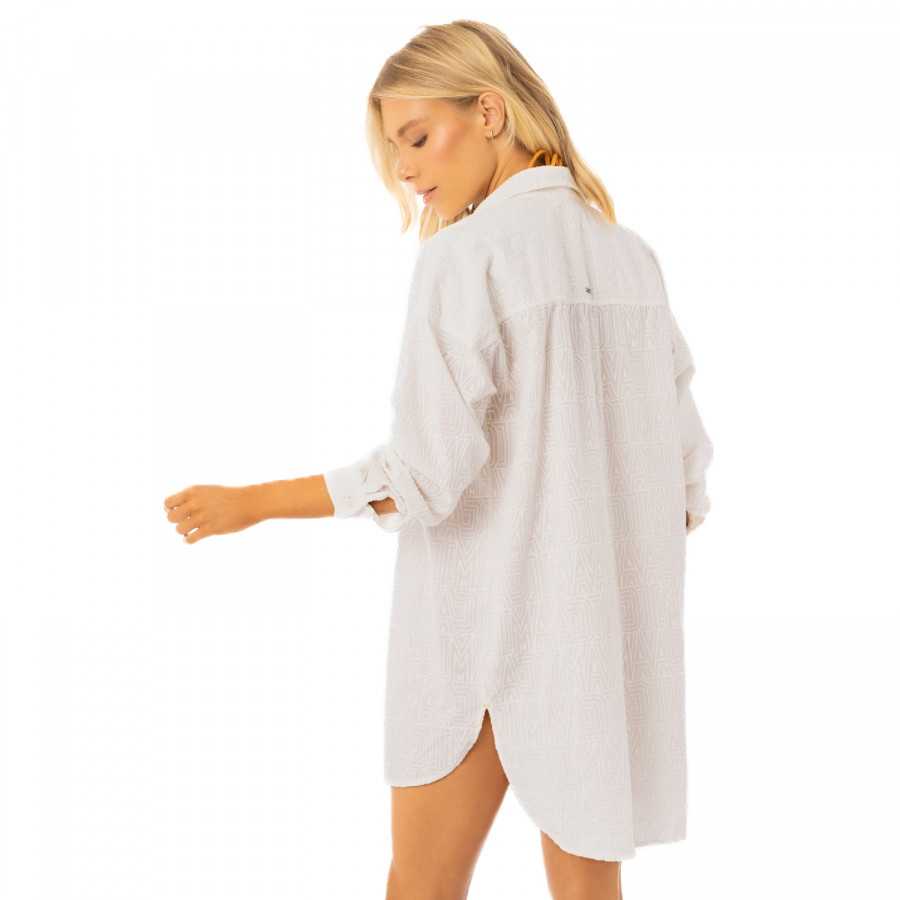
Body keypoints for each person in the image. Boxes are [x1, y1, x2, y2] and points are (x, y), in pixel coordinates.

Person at [163, 19, 713, 900]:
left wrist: (253, 502)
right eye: (393, 150)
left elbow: (423, 476)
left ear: (489, 113)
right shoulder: (630, 257)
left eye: (418, 138)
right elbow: (683, 480)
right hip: (594, 647)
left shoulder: (467, 255)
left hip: (476, 640)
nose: (405, 170)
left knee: (421, 886)